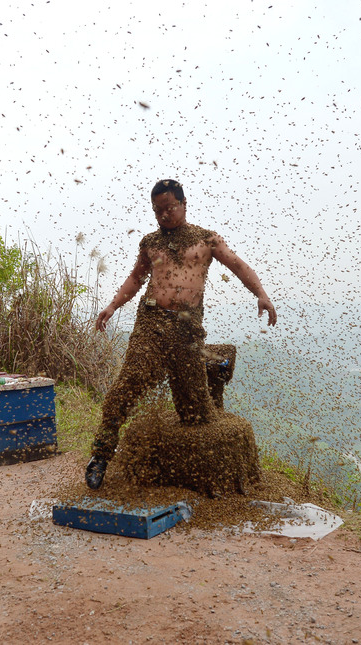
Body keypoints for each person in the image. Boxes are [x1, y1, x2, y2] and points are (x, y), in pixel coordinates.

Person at [85, 179, 277, 489]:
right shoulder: (150, 242)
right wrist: (111, 307)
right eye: (157, 210)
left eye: (169, 208)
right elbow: (135, 279)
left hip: (187, 329)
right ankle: (100, 456)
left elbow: (238, 266)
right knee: (124, 390)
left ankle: (211, 362)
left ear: (184, 204)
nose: (164, 215)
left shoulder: (206, 240)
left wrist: (261, 294)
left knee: (196, 414)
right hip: (150, 325)